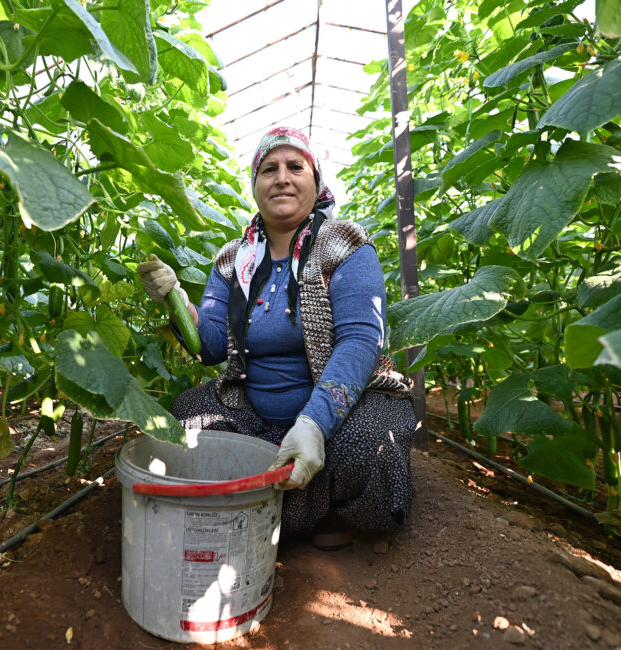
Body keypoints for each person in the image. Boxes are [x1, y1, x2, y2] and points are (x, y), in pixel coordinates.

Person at [137, 126, 416, 550]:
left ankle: (315, 511)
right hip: (253, 411)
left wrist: (315, 423)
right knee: (185, 418)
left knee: (370, 444)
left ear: (315, 182)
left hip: (340, 406)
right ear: (255, 186)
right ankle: (306, 507)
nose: (282, 178)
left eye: (295, 167)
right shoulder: (232, 259)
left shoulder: (344, 244)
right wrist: (176, 300)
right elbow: (211, 344)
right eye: (269, 169)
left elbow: (361, 340)